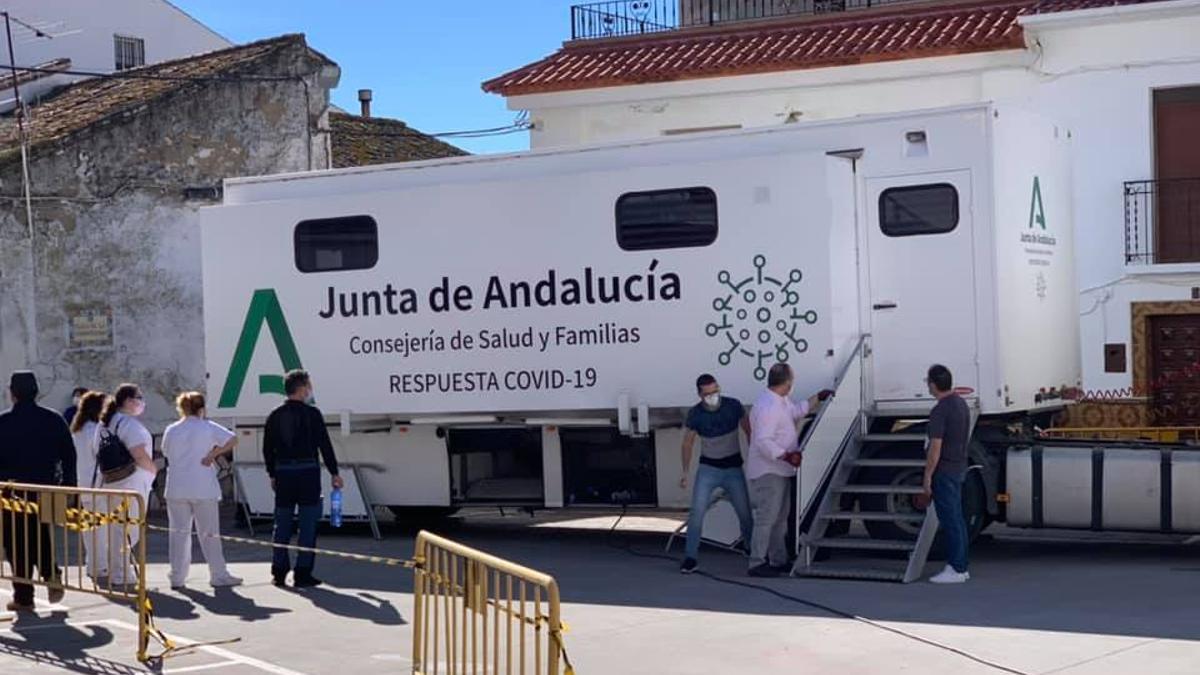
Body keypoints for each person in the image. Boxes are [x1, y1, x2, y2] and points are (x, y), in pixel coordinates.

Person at [0, 371, 76, 611]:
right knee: (43, 534)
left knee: (16, 542)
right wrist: (69, 487)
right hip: (47, 487)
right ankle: (51, 573)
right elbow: (69, 456)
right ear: (37, 392)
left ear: (12, 394)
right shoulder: (53, 419)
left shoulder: (3, 422)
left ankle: (24, 596)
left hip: (11, 491)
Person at [746, 363, 828, 577]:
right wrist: (786, 455)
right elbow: (763, 441)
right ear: (789, 383)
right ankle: (756, 562)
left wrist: (817, 398)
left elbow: (796, 411)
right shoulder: (768, 407)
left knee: (780, 518)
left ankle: (777, 559)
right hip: (768, 470)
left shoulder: (779, 401)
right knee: (767, 517)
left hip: (780, 470)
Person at [263, 369, 342, 588]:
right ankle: (303, 572)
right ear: (302, 388)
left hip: (284, 473)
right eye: (309, 386)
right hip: (308, 473)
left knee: (282, 524)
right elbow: (324, 445)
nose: (310, 390)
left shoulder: (275, 415)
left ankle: (279, 571)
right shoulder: (312, 414)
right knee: (307, 524)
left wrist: (272, 473)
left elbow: (267, 449)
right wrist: (334, 472)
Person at [161, 392, 242, 590]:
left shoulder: (172, 429)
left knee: (178, 534)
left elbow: (165, 451)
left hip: (177, 487)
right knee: (209, 534)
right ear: (201, 408)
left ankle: (177, 576)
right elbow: (233, 439)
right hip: (203, 486)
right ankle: (218, 574)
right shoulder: (207, 427)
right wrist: (212, 454)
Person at [679, 374, 753, 574]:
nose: (712, 396)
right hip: (708, 470)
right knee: (696, 513)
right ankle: (690, 557)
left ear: (719, 388)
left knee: (745, 512)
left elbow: (749, 431)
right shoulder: (695, 414)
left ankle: (751, 548)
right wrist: (685, 472)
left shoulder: (733, 406)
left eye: (715, 391)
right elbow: (688, 443)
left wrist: (755, 459)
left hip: (733, 469)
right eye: (707, 394)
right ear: (700, 395)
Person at [101, 383, 158, 589]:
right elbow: (139, 454)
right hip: (132, 481)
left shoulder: (105, 423)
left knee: (118, 528)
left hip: (112, 480)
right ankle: (121, 573)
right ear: (128, 401)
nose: (142, 402)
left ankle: (119, 570)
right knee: (130, 529)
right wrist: (154, 471)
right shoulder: (129, 425)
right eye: (139, 397)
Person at [922, 364, 972, 584]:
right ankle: (961, 564)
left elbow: (935, 447)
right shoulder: (961, 404)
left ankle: (957, 568)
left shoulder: (940, 410)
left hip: (944, 470)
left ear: (933, 384)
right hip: (958, 466)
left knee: (950, 519)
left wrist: (927, 477)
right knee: (957, 519)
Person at [71, 391, 110, 581]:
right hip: (99, 483)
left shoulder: (77, 430)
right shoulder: (97, 430)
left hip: (83, 483)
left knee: (89, 527)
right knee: (102, 527)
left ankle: (92, 564)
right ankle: (101, 565)